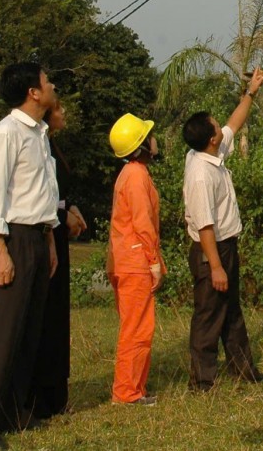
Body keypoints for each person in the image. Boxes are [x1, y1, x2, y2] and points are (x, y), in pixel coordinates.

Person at [0, 62, 60, 449]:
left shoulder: (39, 136)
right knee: (2, 330)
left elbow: (42, 194)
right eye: (46, 80)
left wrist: (51, 242)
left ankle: (15, 409)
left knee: (29, 328)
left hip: (38, 237)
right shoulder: (4, 135)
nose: (52, 84)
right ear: (33, 92)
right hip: (11, 237)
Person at [183, 67, 263, 391]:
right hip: (212, 250)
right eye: (214, 124)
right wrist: (217, 266)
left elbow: (234, 123)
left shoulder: (211, 152)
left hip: (225, 246)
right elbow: (205, 225)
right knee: (208, 316)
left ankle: (244, 371)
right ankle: (202, 382)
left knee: (232, 313)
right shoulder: (200, 174)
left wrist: (251, 92)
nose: (219, 124)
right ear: (211, 138)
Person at [28, 102, 87, 419]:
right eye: (60, 107)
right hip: (46, 231)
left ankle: (55, 394)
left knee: (57, 314)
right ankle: (40, 396)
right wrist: (63, 216)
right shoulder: (36, 145)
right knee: (45, 315)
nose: (65, 111)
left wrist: (71, 209)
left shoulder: (50, 146)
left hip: (58, 232)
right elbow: (40, 196)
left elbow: (59, 191)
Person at [106, 112, 166, 406]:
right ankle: (127, 393)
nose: (155, 139)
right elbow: (143, 222)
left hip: (127, 261)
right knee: (137, 329)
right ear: (142, 145)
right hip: (136, 263)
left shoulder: (129, 174)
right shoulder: (136, 176)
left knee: (135, 327)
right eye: (148, 135)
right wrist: (153, 261)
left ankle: (132, 388)